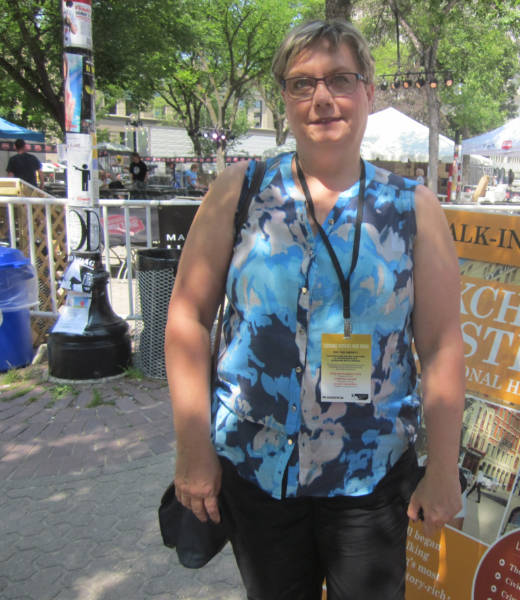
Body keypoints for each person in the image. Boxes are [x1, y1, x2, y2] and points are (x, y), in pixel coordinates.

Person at [164, 19, 465, 600]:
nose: (322, 97)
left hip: (369, 476)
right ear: (285, 99)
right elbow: (187, 319)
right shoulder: (240, 191)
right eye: (302, 84)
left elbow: (441, 344)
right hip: (257, 469)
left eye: (340, 79)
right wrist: (193, 447)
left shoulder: (413, 209)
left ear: (370, 92)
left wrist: (444, 468)